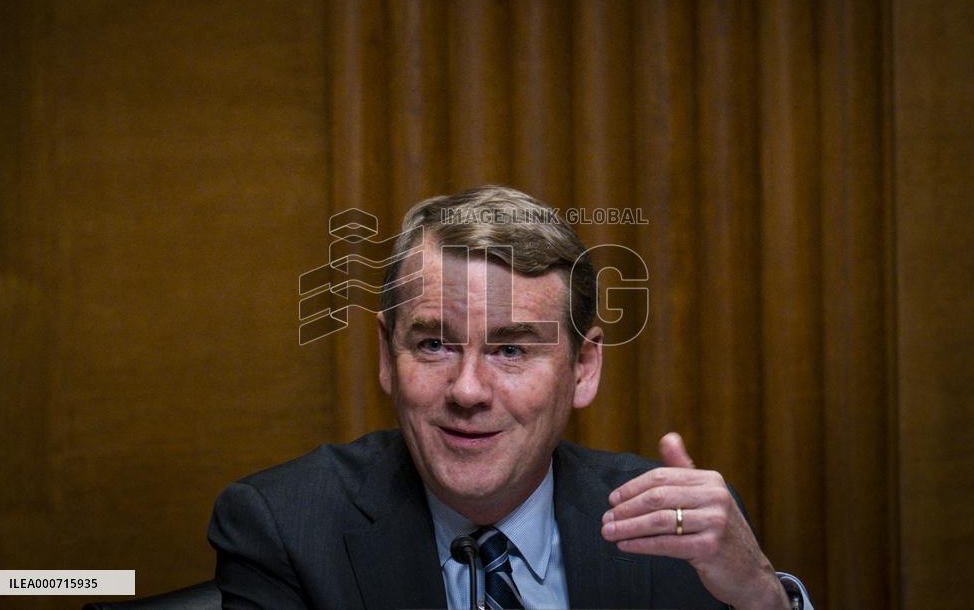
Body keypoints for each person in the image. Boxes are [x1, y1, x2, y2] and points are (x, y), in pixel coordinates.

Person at [208, 185, 811, 609]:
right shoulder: (285, 527)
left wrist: (762, 597)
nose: (468, 390)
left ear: (584, 367)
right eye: (434, 345)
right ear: (388, 357)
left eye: (512, 350)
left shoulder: (676, 534)